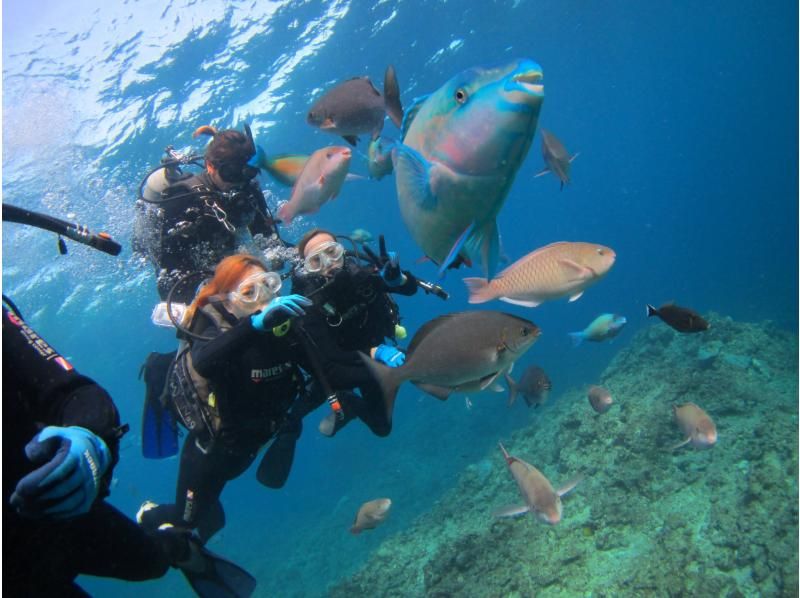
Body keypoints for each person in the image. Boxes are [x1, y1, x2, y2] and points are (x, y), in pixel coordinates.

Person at [3, 298, 256, 597]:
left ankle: (179, 548)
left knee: (150, 563)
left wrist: (89, 436)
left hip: (56, 515)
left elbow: (75, 393)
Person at [137, 253, 388, 538]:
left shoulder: (287, 328)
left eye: (268, 285)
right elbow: (203, 362)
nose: (263, 297)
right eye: (249, 292)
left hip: (256, 440)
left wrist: (385, 368)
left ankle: (202, 513)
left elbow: (329, 371)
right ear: (228, 300)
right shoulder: (212, 328)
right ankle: (148, 514)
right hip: (214, 449)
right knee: (188, 520)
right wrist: (253, 326)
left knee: (217, 510)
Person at [287, 228, 419, 437]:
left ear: (343, 252)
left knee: (382, 427)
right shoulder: (308, 303)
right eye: (316, 260)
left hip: (371, 357)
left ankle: (350, 405)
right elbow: (330, 356)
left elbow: (410, 289)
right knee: (293, 415)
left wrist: (399, 279)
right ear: (307, 269)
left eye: (332, 252)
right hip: (336, 368)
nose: (329, 263)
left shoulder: (362, 277)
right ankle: (325, 405)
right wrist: (377, 352)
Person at [133, 124, 285, 303]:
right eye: (231, 174)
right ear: (210, 166)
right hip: (183, 254)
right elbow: (171, 281)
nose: (239, 182)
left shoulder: (248, 190)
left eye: (248, 173)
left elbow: (270, 243)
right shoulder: (182, 201)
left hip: (223, 250)